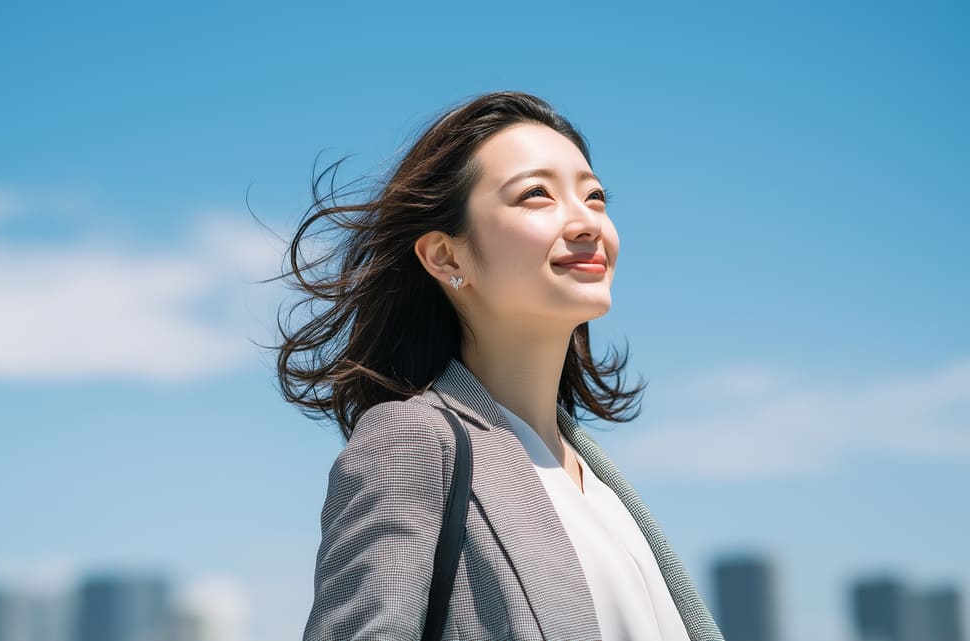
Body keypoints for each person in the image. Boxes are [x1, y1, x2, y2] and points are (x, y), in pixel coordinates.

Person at [274, 91, 725, 640]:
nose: (587, 223)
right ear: (446, 255)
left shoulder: (600, 482)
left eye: (595, 197)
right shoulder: (412, 441)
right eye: (537, 194)